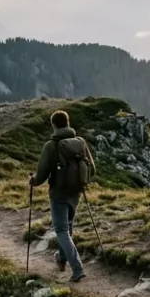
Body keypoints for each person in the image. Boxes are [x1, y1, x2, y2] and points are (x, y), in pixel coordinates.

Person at [29, 109, 95, 282]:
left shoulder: (51, 146)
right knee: (68, 227)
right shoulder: (80, 142)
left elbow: (42, 174)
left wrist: (33, 181)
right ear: (68, 122)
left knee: (61, 230)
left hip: (58, 193)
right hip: (76, 192)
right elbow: (92, 169)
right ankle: (61, 257)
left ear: (54, 125)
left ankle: (77, 268)